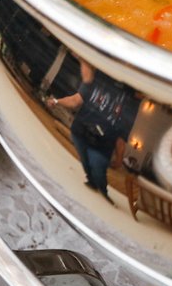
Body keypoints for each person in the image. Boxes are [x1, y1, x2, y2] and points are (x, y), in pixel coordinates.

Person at [46, 59, 140, 204]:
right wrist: (57, 102)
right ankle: (93, 183)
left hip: (102, 143)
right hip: (81, 132)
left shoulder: (131, 99)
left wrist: (119, 159)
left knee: (97, 170)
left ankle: (100, 189)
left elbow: (122, 134)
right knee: (88, 167)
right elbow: (76, 100)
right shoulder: (100, 76)